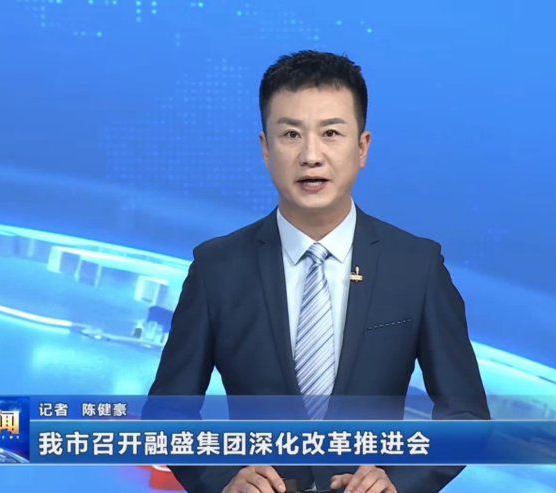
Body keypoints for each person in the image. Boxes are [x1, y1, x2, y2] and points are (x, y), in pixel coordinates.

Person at [148, 50, 490, 493]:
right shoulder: (217, 268)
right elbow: (167, 413)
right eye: (291, 134)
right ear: (265, 148)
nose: (311, 155)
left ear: (362, 147)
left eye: (331, 133)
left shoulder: (416, 266)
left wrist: (398, 481)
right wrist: (223, 480)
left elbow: (466, 416)